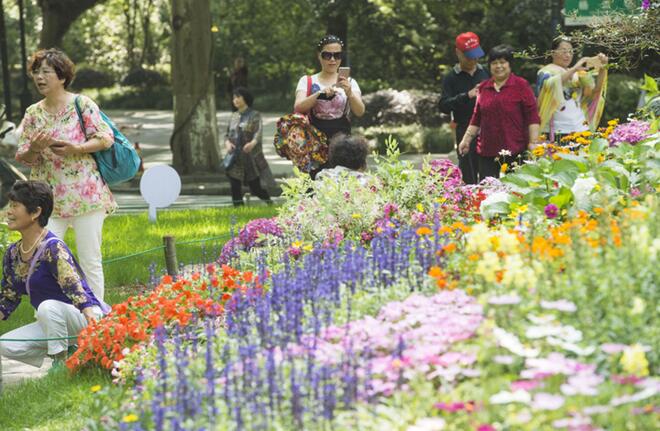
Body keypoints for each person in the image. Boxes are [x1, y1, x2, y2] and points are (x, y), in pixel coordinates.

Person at [15, 48, 116, 301]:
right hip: (46, 201)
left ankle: (96, 321)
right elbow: (23, 157)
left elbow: (106, 138)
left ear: (62, 77)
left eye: (46, 72)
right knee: (43, 262)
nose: (39, 77)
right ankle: (54, 322)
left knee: (90, 259)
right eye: (36, 72)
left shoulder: (81, 104)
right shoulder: (32, 113)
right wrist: (35, 149)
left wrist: (77, 148)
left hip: (86, 196)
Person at [0, 181, 106, 368]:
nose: (9, 211)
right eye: (10, 205)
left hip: (82, 315)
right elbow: (8, 297)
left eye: (15, 206)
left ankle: (60, 363)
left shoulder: (53, 247)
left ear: (35, 213)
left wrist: (94, 324)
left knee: (47, 307)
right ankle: (69, 348)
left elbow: (74, 286)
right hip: (52, 321)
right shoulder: (13, 253)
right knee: (5, 345)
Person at [458, 45, 540, 180]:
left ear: (509, 64)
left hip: (515, 150)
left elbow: (533, 117)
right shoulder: (484, 87)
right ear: (489, 66)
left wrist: (533, 143)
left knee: (516, 193)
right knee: (487, 192)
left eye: (502, 62)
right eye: (494, 63)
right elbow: (477, 117)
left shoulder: (521, 85)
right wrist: (466, 140)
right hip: (487, 150)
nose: (498, 66)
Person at [293, 35, 365, 177]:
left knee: (341, 184)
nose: (332, 60)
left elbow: (360, 111)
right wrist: (319, 94)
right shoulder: (307, 80)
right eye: (327, 55)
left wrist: (349, 92)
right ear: (319, 56)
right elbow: (299, 106)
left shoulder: (350, 82)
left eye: (337, 55)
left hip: (342, 142)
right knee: (313, 184)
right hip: (314, 140)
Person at [439, 32, 489, 185]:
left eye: (476, 55)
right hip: (465, 131)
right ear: (457, 53)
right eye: (468, 56)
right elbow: (443, 106)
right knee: (469, 177)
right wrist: (467, 95)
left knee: (490, 177)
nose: (473, 59)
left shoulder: (486, 73)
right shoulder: (451, 78)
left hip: (488, 131)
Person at [537, 37, 608, 142]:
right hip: (557, 129)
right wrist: (575, 68)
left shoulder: (577, 74)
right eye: (564, 51)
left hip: (580, 127)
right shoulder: (545, 72)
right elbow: (549, 85)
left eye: (570, 52)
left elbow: (595, 92)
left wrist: (603, 68)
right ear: (552, 53)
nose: (568, 55)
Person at [223, 87, 273, 206]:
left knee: (255, 187)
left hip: (250, 157)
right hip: (235, 157)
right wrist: (227, 144)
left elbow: (258, 133)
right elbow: (226, 135)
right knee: (234, 185)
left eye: (238, 97)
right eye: (234, 98)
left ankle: (269, 203)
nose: (235, 100)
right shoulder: (233, 116)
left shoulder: (254, 115)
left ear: (245, 98)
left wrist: (252, 143)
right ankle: (238, 210)